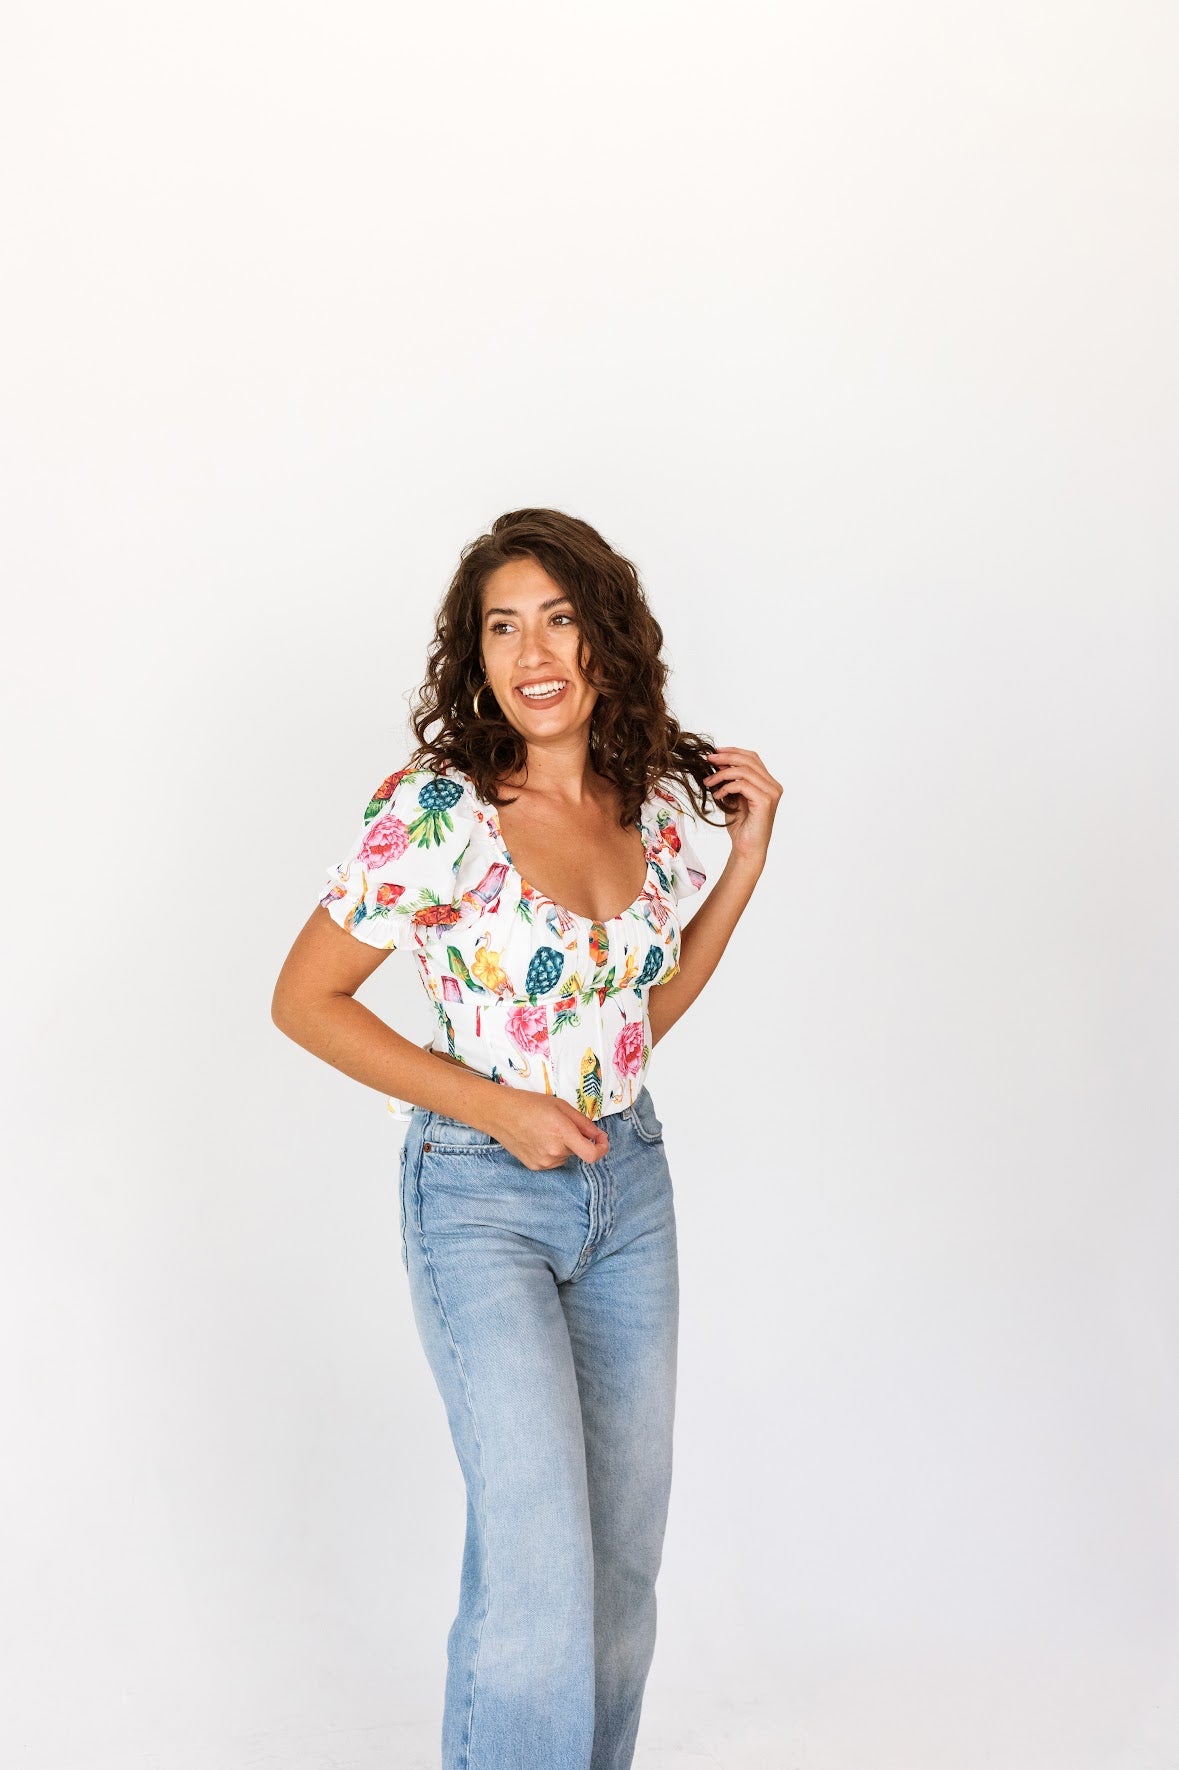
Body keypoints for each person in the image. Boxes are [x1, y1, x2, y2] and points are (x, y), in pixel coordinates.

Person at [271, 507, 781, 1770]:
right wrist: (497, 1106)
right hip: (479, 1202)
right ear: (477, 655)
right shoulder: (441, 812)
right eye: (502, 627)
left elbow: (634, 1017)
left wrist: (745, 860)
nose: (532, 651)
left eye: (558, 618)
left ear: (608, 636)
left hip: (629, 1189)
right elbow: (305, 1000)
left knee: (620, 1569)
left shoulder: (645, 802)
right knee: (540, 1567)